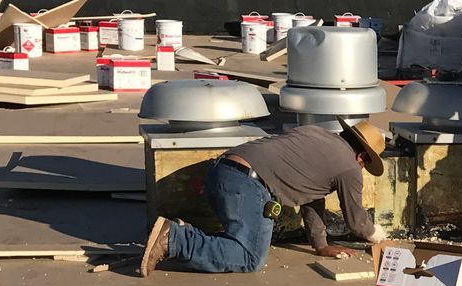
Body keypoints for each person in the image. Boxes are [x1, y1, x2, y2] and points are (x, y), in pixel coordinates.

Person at [139, 118, 388, 275]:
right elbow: (357, 222)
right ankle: (175, 239)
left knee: (239, 241)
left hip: (221, 172)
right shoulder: (348, 167)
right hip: (248, 185)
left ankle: (186, 235)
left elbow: (311, 199)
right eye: (366, 165)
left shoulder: (316, 135)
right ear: (362, 158)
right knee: (250, 258)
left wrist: (320, 244)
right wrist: (381, 238)